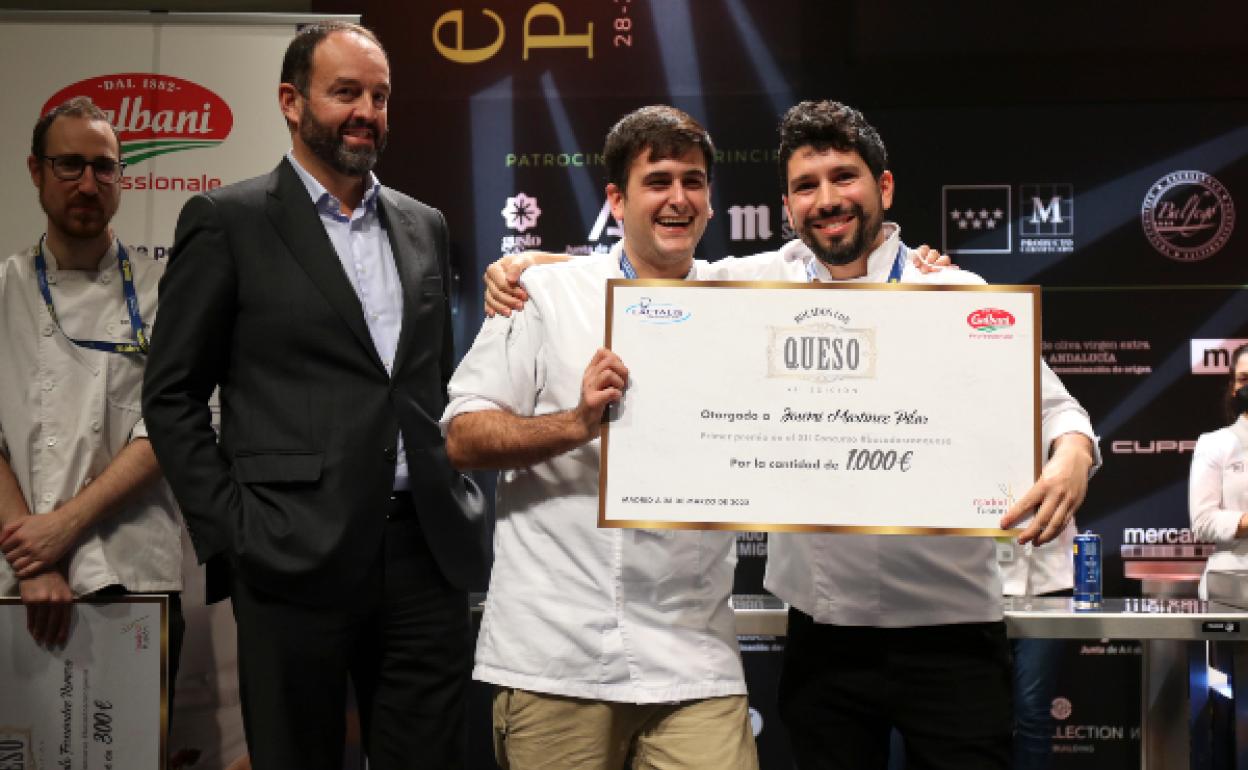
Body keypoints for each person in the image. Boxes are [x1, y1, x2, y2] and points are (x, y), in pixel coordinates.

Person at [484, 100, 1100, 770]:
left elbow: (1057, 413)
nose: (827, 200)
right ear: (788, 206)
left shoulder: (953, 292)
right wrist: (534, 266)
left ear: (884, 187)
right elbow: (649, 268)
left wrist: (1070, 458)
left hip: (950, 634)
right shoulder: (756, 282)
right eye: (807, 187)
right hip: (825, 640)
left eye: (845, 177)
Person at [141, 22, 485, 770]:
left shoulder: (424, 225)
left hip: (425, 554)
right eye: (346, 93)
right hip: (290, 553)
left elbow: (432, 383)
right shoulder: (227, 221)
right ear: (291, 102)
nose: (367, 111)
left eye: (380, 96)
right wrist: (234, 530)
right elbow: (170, 394)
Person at [444, 106, 759, 770]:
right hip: (557, 657)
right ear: (616, 199)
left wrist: (922, 260)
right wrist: (574, 424)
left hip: (694, 658)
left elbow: (849, 265)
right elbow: (464, 435)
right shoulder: (547, 296)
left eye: (695, 182)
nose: (679, 198)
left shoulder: (745, 298)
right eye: (659, 180)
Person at [0, 96, 183, 661]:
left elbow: (174, 425)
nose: (87, 183)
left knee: (129, 750)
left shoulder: (167, 290)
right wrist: (33, 553)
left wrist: (64, 526)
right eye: (68, 165)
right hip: (16, 579)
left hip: (134, 574)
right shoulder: (3, 290)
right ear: (36, 170)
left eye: (104, 167)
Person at [1190, 343, 1248, 598]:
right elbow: (1203, 521)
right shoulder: (1215, 443)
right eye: (1244, 378)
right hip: (1234, 583)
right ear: (1234, 387)